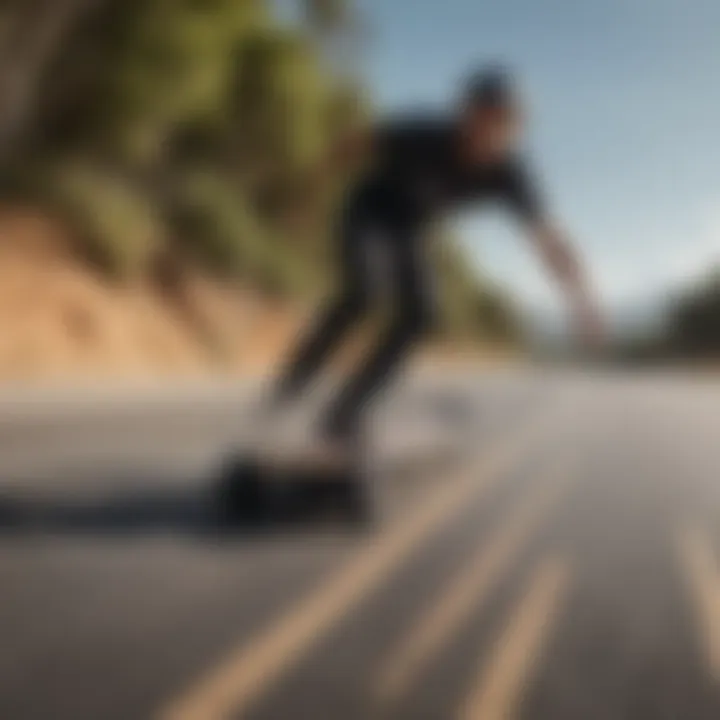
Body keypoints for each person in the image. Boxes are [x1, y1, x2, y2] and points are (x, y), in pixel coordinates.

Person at [264, 66, 603, 466]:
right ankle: (294, 381)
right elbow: (354, 143)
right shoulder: (425, 135)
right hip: (368, 213)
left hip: (410, 229)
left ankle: (344, 414)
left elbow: (549, 240)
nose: (492, 136)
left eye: (505, 126)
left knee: (423, 313)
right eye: (485, 121)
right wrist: (308, 192)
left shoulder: (511, 173)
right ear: (466, 114)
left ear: (516, 128)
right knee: (366, 293)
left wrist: (581, 302)